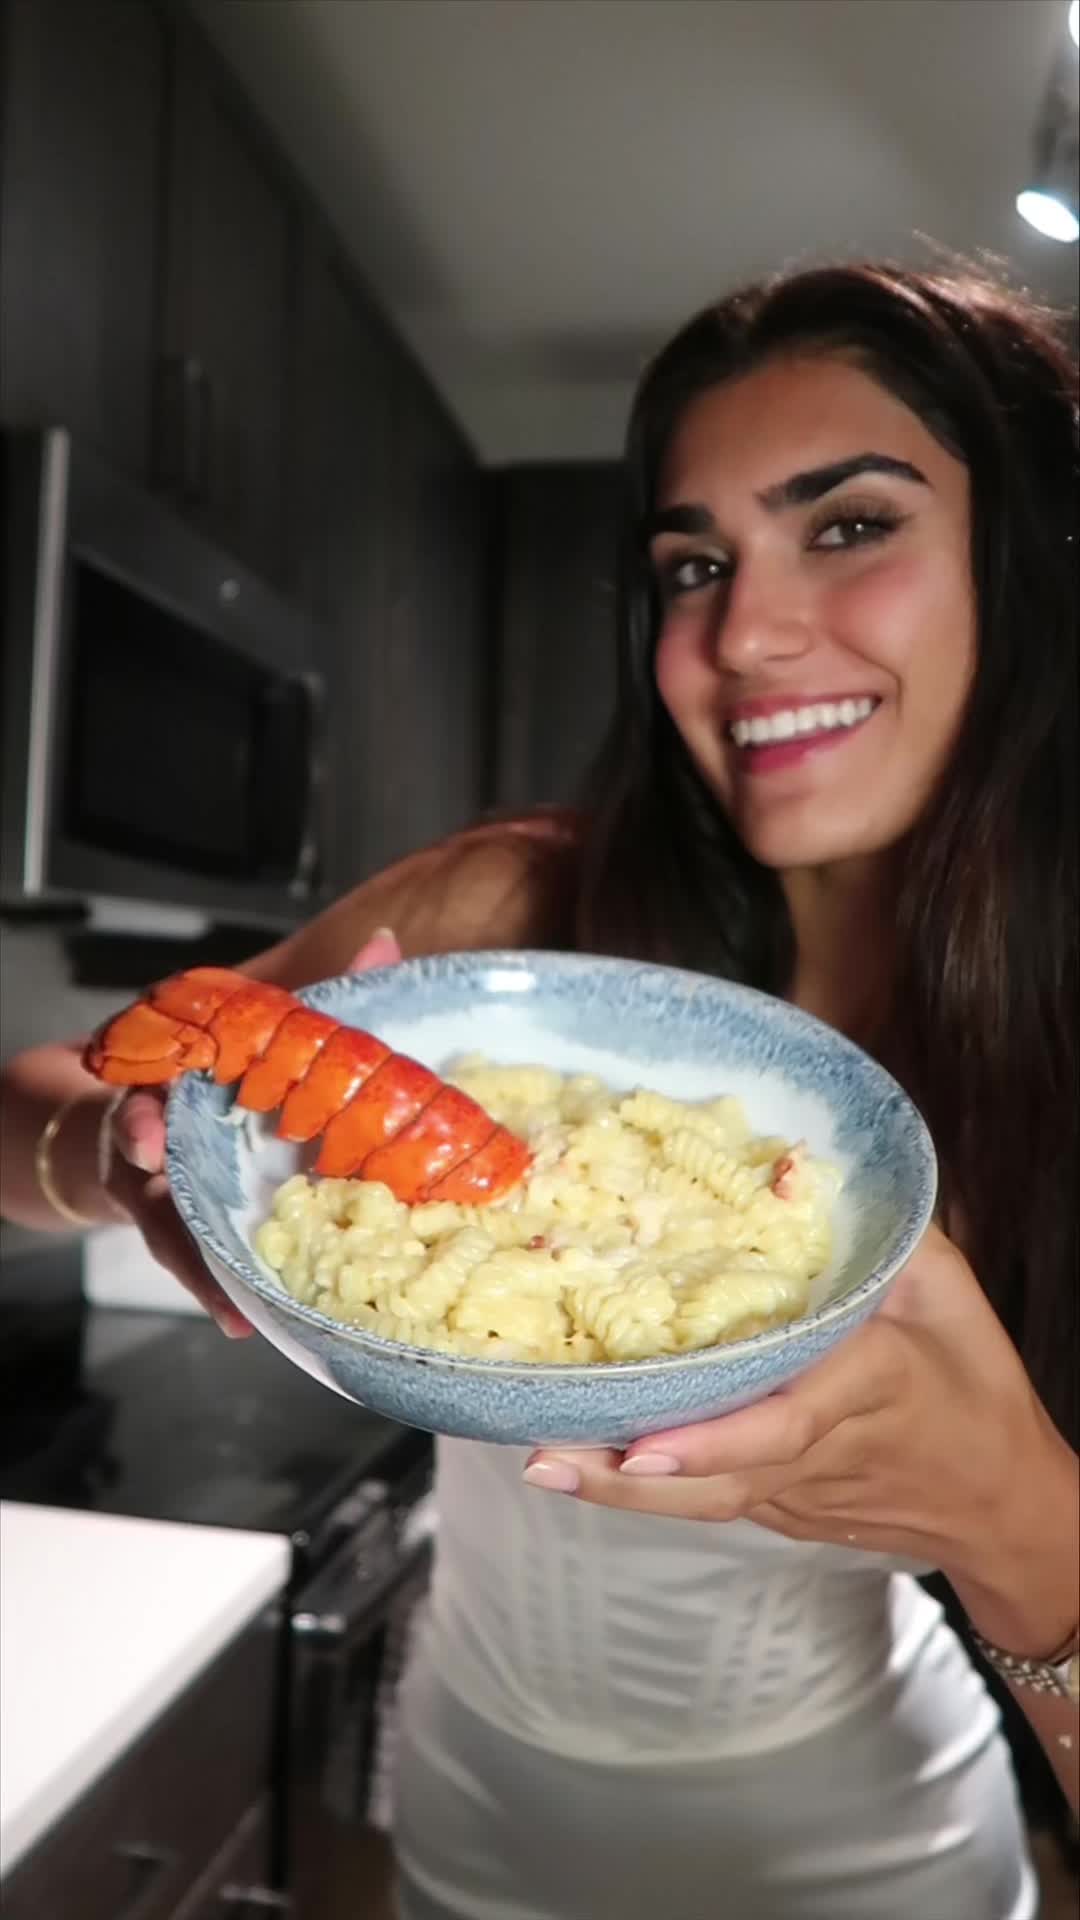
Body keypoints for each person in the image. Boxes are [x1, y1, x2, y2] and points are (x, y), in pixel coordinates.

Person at [2, 258, 1076, 1920]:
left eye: (852, 525)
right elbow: (23, 1115)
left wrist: (1022, 1525)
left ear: (1031, 569)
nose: (744, 634)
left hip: (876, 1854)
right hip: (468, 1814)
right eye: (693, 564)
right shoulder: (505, 914)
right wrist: (111, 1155)